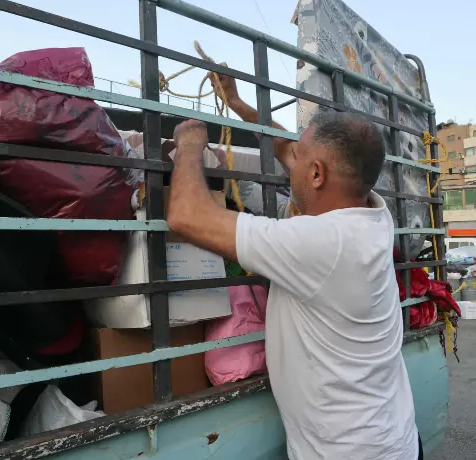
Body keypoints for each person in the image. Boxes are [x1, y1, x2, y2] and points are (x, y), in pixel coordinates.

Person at [166, 75, 422, 460]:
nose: (291, 162)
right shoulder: (368, 211)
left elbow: (186, 215)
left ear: (317, 174)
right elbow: (289, 149)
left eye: (301, 160)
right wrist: (236, 103)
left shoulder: (323, 244)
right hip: (393, 440)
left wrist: (189, 143)